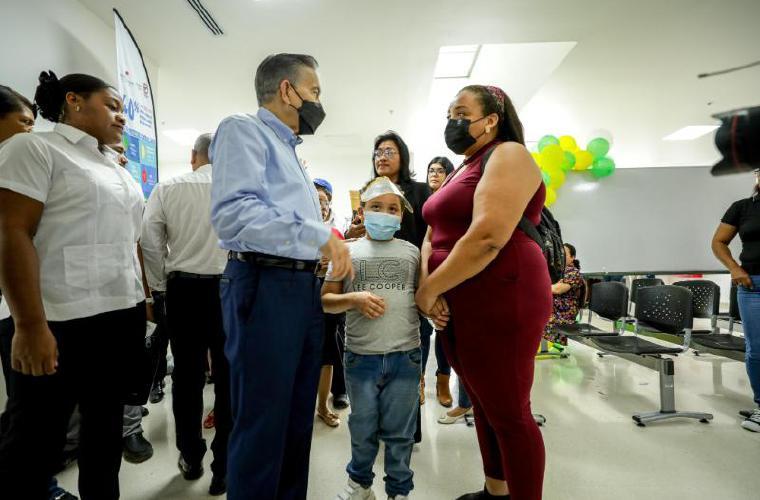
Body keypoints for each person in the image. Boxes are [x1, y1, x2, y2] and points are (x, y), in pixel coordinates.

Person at [0, 71, 149, 500]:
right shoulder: (35, 147)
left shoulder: (116, 167)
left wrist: (143, 300)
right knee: (35, 443)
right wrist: (30, 326)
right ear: (74, 101)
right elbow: (12, 232)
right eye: (113, 105)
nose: (122, 117)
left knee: (104, 434)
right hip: (58, 321)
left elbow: (129, 241)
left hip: (118, 317)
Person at [209, 53, 352, 500]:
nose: (318, 102)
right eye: (314, 91)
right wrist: (319, 235)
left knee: (295, 420)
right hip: (265, 284)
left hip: (299, 288)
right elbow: (235, 215)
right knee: (263, 421)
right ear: (287, 90)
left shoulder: (290, 151)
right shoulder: (243, 130)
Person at [417, 84, 551, 500]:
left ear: (491, 119)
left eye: (461, 113)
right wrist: (431, 286)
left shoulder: (508, 154)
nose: (452, 122)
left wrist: (430, 289)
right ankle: (496, 491)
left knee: (510, 412)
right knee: (482, 401)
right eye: (449, 115)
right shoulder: (463, 167)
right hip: (459, 295)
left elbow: (489, 235)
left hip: (503, 290)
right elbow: (432, 233)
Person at [0, 85, 79, 500]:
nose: (31, 133)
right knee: (31, 419)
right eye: (24, 123)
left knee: (31, 416)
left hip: (23, 310)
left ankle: (41, 485)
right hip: (17, 314)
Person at [141, 133, 231, 495]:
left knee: (187, 376)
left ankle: (191, 457)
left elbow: (150, 241)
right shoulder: (237, 189)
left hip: (183, 291)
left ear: (194, 155)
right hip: (229, 290)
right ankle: (224, 466)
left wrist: (159, 287)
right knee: (228, 376)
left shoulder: (167, 187)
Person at [322, 177, 422, 500]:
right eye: (377, 206)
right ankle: (360, 486)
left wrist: (438, 307)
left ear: (401, 216)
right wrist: (353, 299)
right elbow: (326, 300)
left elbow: (423, 297)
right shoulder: (347, 252)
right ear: (363, 211)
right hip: (361, 356)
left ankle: (399, 490)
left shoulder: (412, 253)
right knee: (362, 428)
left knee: (401, 432)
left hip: (405, 355)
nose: (385, 213)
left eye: (392, 208)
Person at [712, 173, 760, 433]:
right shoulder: (742, 207)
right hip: (753, 286)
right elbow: (718, 242)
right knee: (757, 349)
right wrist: (734, 268)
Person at [314, 178, 346, 427]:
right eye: (316, 201)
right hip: (301, 297)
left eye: (325, 202)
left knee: (327, 353)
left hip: (328, 299)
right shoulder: (295, 233)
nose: (322, 206)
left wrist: (331, 265)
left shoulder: (336, 234)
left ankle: (323, 406)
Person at [426, 156, 457, 407]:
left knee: (443, 327)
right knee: (421, 331)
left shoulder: (454, 202)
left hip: (449, 274)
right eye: (431, 170)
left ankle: (443, 381)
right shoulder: (422, 201)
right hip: (421, 272)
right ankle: (418, 381)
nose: (434, 174)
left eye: (440, 170)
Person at [543, 243, 585, 350]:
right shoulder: (557, 271)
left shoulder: (573, 272)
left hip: (563, 312)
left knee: (536, 316)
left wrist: (544, 287)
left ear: (572, 257)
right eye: (559, 253)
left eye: (564, 254)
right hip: (553, 308)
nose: (561, 256)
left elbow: (557, 289)